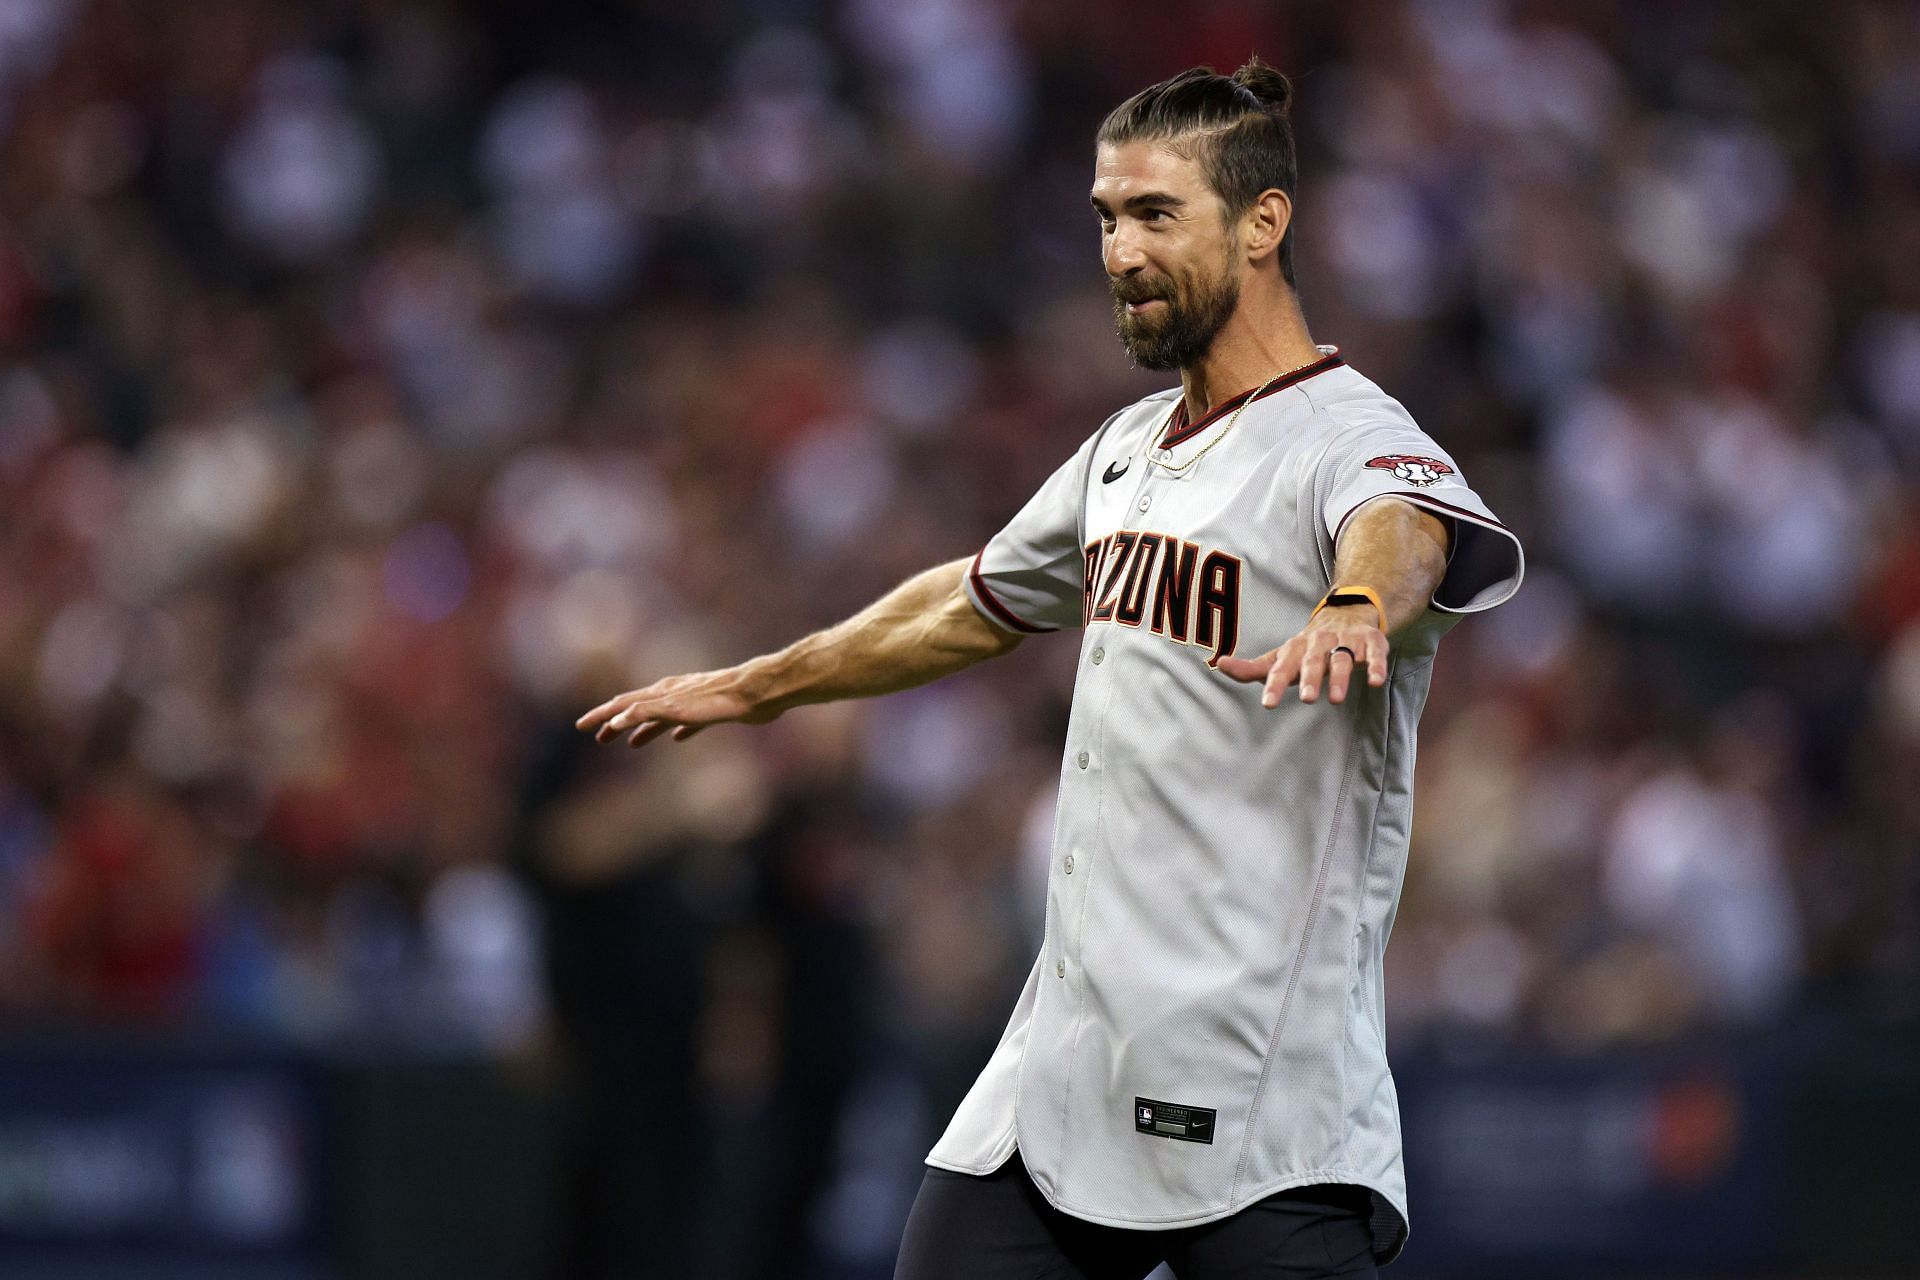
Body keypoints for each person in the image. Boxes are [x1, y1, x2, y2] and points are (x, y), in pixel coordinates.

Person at [576, 58, 1523, 1280]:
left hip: (1257, 1082)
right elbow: (969, 601)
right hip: (1067, 1067)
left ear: (1263, 223)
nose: (1120, 252)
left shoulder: (1349, 435)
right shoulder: (1126, 448)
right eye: (1105, 217)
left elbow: (1405, 526)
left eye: (1156, 214)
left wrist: (1353, 602)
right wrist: (761, 685)